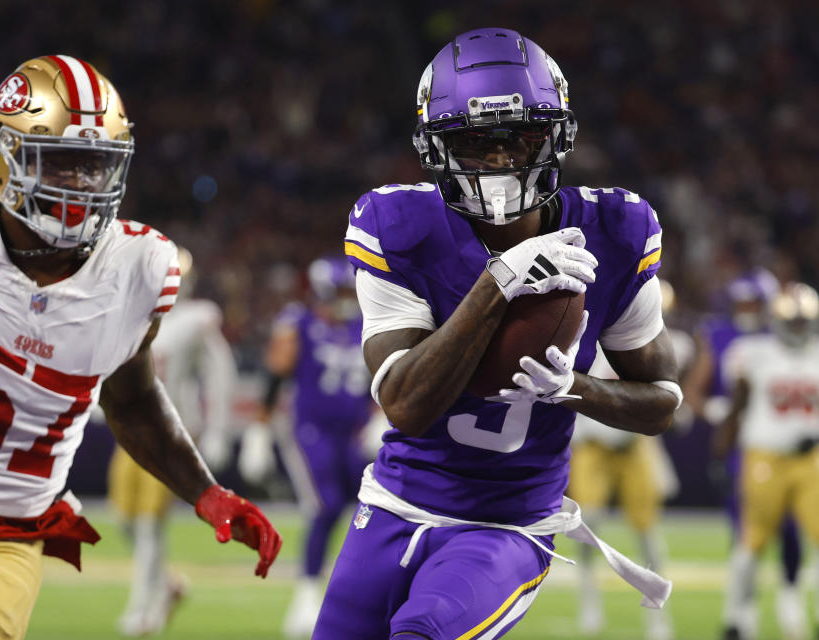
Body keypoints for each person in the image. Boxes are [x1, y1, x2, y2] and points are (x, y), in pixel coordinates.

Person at [0, 55, 280, 640]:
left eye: (94, 165)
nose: (81, 185)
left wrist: (206, 493)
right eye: (59, 162)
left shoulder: (136, 271)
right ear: (5, 157)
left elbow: (131, 401)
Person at [314, 28, 680, 639]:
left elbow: (662, 402)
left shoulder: (617, 229)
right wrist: (498, 283)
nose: (501, 158)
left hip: (508, 525)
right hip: (393, 507)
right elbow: (404, 404)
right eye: (475, 140)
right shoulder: (397, 223)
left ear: (558, 135)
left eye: (522, 136)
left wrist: (576, 388)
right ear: (435, 146)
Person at [238, 255, 374, 638]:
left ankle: (350, 592)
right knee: (325, 505)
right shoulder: (299, 322)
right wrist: (259, 430)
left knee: (366, 510)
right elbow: (275, 375)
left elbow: (381, 373)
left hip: (354, 432)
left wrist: (379, 414)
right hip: (310, 431)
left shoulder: (363, 324)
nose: (347, 298)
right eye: (341, 291)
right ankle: (306, 595)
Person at [106, 246, 238, 636]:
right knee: (123, 521)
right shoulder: (129, 318)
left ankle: (143, 607)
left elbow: (221, 374)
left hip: (168, 432)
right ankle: (165, 585)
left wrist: (217, 429)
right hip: (127, 430)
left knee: (149, 526)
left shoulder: (197, 319)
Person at [683, 269, 805, 634]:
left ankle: (790, 594)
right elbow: (694, 393)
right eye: (742, 302)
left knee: (792, 526)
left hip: (787, 446)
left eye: (754, 301)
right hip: (744, 447)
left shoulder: (783, 336)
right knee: (746, 531)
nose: (747, 308)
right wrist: (717, 412)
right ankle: (743, 612)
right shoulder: (719, 337)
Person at [713, 282, 819, 640]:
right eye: (794, 320)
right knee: (752, 540)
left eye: (805, 321)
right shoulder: (752, 352)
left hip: (812, 460)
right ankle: (735, 617)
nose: (799, 327)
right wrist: (722, 451)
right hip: (765, 457)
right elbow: (737, 407)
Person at [567, 343, 677, 640]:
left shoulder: (640, 340)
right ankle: (589, 600)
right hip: (592, 446)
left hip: (634, 445)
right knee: (585, 526)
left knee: (647, 531)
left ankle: (658, 612)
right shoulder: (584, 339)